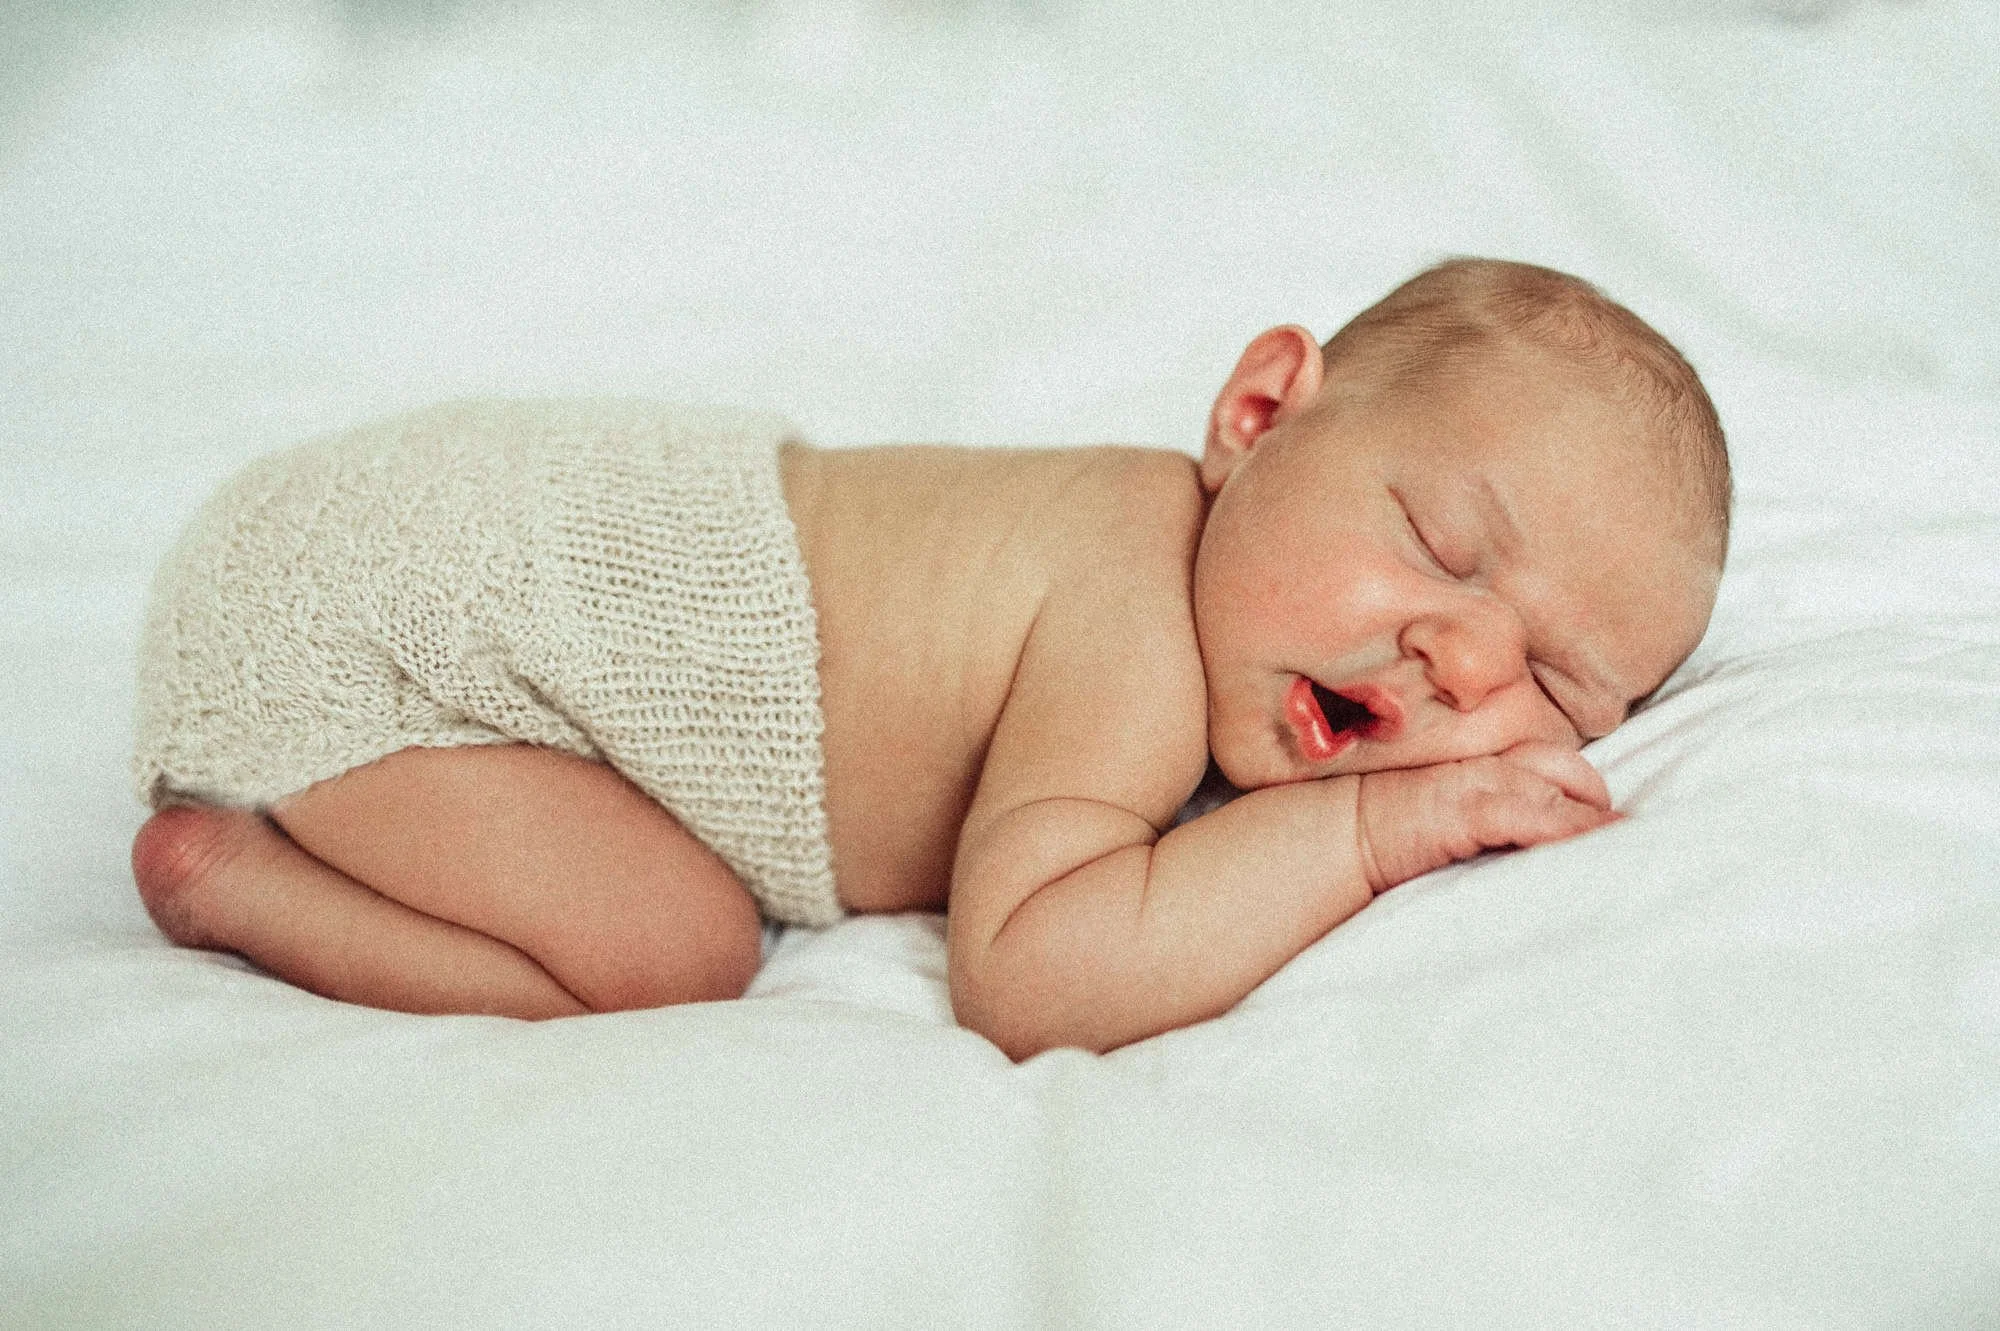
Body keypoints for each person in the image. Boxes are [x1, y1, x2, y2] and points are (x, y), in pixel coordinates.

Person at [128, 257, 1729, 1060]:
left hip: (398, 536)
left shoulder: (1212, 593)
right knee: (670, 953)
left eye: (1558, 682)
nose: (1460, 657)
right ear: (1255, 416)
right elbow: (1030, 967)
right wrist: (1378, 828)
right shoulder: (1130, 605)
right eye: (1444, 543)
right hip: (380, 634)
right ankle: (240, 878)